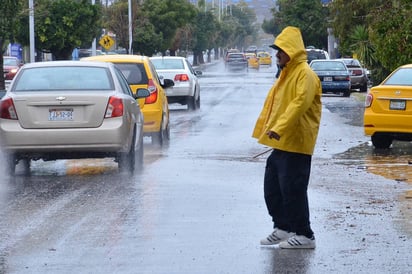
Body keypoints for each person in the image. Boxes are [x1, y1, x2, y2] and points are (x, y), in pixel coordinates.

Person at [252, 26, 322, 249]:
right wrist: (267, 130)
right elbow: (275, 105)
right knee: (272, 188)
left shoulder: (306, 75)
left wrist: (279, 127)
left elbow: (298, 104)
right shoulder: (286, 74)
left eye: (280, 51)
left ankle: (305, 235)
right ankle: (283, 227)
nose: (276, 55)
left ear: (290, 52)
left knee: (293, 190)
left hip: (297, 142)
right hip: (281, 142)